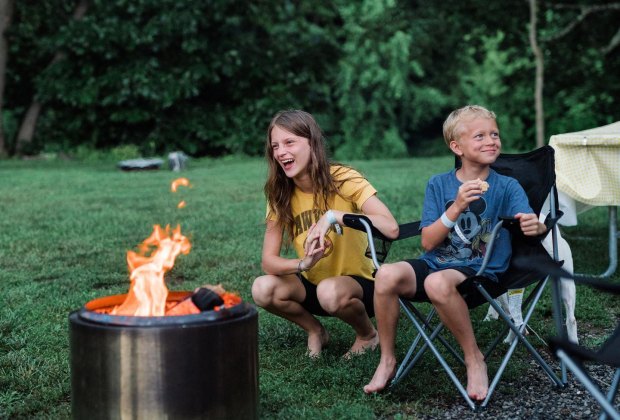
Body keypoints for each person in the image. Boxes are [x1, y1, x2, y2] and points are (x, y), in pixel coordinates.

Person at [363, 105, 547, 400]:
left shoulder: (507, 186)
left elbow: (530, 225)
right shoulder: (439, 184)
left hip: (482, 271)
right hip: (436, 262)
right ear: (456, 146)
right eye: (480, 136)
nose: (491, 141)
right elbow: (427, 243)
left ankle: (474, 358)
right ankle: (387, 359)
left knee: (437, 283)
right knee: (385, 274)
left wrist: (534, 225)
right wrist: (457, 205)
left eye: (494, 134)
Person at [252, 109, 399, 358]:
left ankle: (367, 335)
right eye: (275, 146)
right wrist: (304, 263)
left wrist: (334, 216)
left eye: (289, 142)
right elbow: (269, 261)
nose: (280, 152)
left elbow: (390, 227)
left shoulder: (343, 178)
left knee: (329, 291)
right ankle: (316, 330)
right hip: (312, 283)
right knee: (262, 288)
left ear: (312, 143)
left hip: (361, 286)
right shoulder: (280, 193)